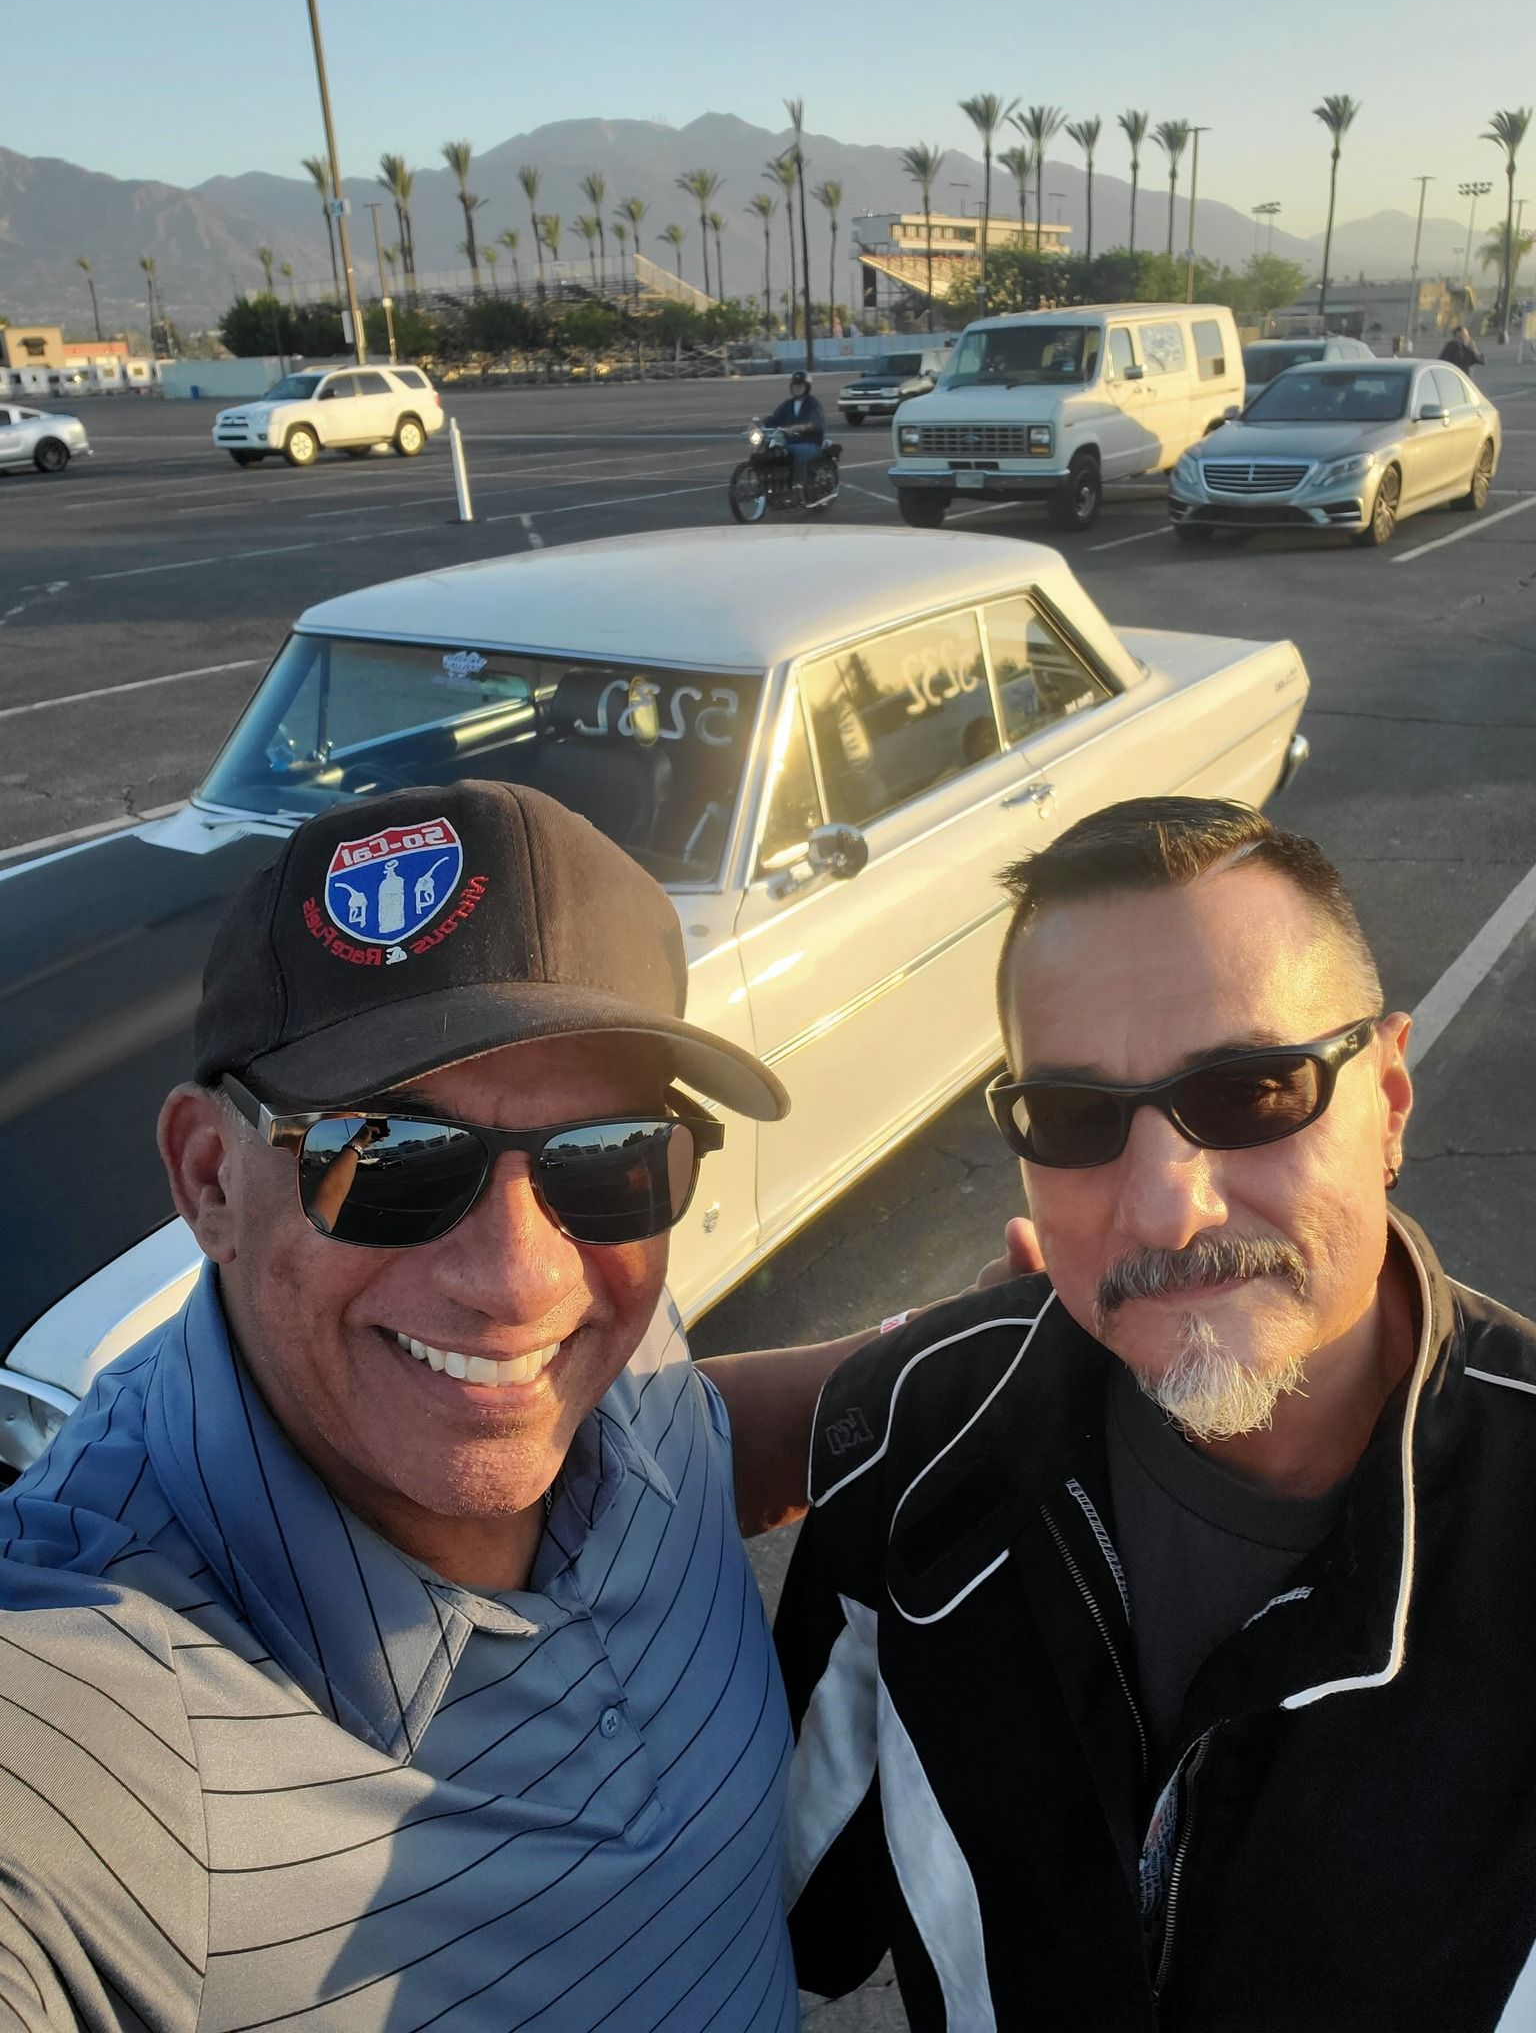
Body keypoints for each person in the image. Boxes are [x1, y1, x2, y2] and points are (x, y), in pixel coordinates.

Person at [0, 778, 856, 2032]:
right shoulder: (95, 1717)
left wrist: (1009, 1348)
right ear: (207, 1179)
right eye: (387, 1157)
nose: (521, 1277)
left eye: (611, 1154)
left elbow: (691, 1428)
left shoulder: (610, 1346)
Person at [776, 795, 1536, 2031]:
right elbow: (778, 1910)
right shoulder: (913, 1442)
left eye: (1251, 1091)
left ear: (1388, 1099)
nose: (1164, 1209)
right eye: (1074, 1117)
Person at [765, 369, 825, 490]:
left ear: (807, 387)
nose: (797, 388)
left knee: (798, 451)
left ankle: (798, 485)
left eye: (800, 385)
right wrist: (759, 426)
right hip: (790, 442)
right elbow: (774, 419)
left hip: (810, 443)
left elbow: (816, 421)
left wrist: (803, 426)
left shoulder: (813, 403)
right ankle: (773, 484)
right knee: (771, 451)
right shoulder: (788, 404)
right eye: (794, 385)